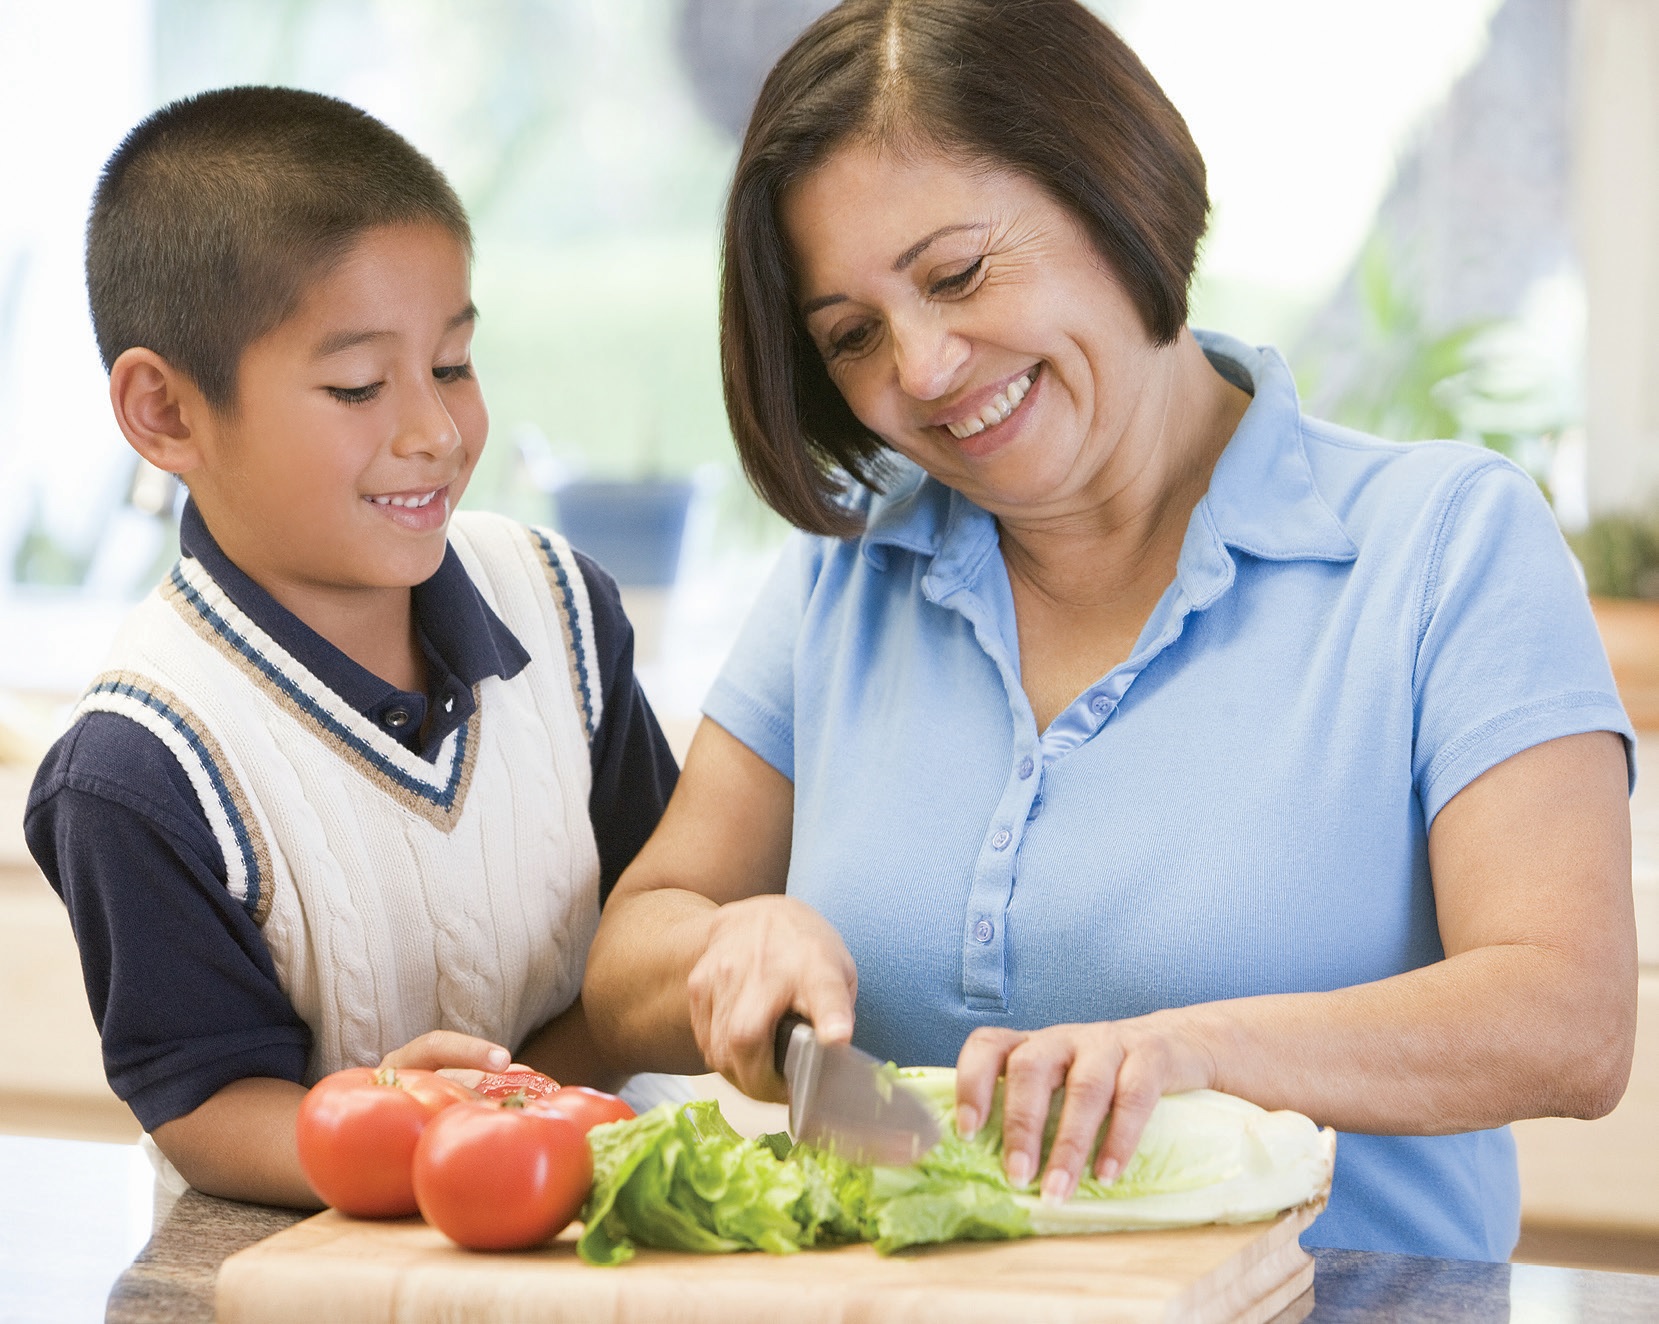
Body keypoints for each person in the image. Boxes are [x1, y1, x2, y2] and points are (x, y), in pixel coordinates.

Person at [582, 0, 1639, 1261]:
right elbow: (634, 954)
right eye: (853, 337)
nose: (918, 371)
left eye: (959, 273)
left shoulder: (1446, 544)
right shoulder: (840, 584)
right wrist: (726, 942)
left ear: (1115, 183)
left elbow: (1568, 1019)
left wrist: (1196, 1049)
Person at [24, 86, 677, 1208]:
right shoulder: (137, 769)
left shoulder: (563, 607)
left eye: (456, 364)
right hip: (304, 1266)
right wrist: (393, 1129)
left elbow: (665, 899)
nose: (435, 431)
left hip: (598, 1235)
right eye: (360, 386)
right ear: (166, 413)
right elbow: (204, 1102)